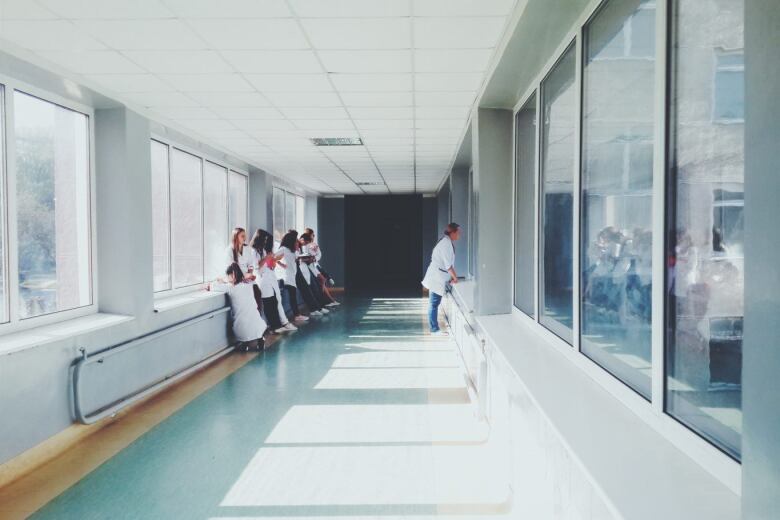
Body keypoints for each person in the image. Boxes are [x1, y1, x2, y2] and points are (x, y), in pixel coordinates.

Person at [208, 263, 266, 351]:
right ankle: (260, 340)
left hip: (241, 330)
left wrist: (221, 281)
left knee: (242, 325)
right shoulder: (249, 286)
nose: (227, 278)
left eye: (228, 275)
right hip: (258, 326)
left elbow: (211, 286)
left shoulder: (230, 289)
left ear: (232, 275)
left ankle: (245, 343)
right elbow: (249, 278)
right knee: (254, 318)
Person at [249, 229, 297, 334]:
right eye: (264, 239)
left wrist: (273, 261)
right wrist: (267, 258)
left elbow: (269, 265)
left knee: (275, 301)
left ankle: (279, 324)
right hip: (263, 279)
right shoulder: (254, 251)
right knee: (268, 303)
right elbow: (257, 267)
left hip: (270, 276)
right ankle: (274, 326)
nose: (266, 241)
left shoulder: (264, 250)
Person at [422, 223, 460, 335]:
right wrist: (455, 278)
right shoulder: (446, 244)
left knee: (434, 303)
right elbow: (448, 266)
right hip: (436, 277)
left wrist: (451, 277)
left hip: (438, 276)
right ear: (452, 232)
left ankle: (434, 328)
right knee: (434, 303)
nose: (459, 235)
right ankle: (434, 329)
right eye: (458, 233)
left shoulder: (446, 242)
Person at [278, 231, 310, 322]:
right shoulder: (283, 249)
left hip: (292, 275)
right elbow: (274, 258)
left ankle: (297, 314)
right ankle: (297, 315)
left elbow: (296, 258)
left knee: (293, 295)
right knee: (293, 296)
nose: (297, 242)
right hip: (287, 276)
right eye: (295, 240)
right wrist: (282, 265)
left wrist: (297, 249)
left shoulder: (292, 250)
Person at [295, 234, 329, 316]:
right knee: (308, 291)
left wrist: (311, 258)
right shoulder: (295, 248)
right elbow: (297, 260)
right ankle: (314, 309)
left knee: (315, 289)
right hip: (300, 272)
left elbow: (316, 255)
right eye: (305, 242)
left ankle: (319, 307)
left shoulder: (302, 248)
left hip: (307, 270)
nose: (306, 244)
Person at [304, 228, 339, 306]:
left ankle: (329, 300)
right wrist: (313, 258)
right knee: (322, 280)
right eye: (312, 235)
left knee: (322, 281)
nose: (313, 236)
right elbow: (311, 255)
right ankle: (329, 301)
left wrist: (314, 258)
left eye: (313, 235)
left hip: (314, 264)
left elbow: (318, 254)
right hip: (310, 267)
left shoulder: (313, 244)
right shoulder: (307, 245)